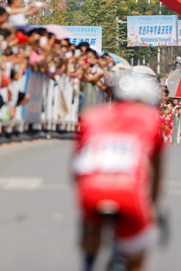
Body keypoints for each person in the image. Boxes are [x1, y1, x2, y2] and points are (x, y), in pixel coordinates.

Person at [72, 73, 164, 271]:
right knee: (138, 254)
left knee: (90, 224)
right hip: (128, 193)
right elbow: (157, 173)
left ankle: (88, 261)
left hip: (91, 190)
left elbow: (75, 165)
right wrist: (152, 207)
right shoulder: (150, 121)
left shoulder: (92, 115)